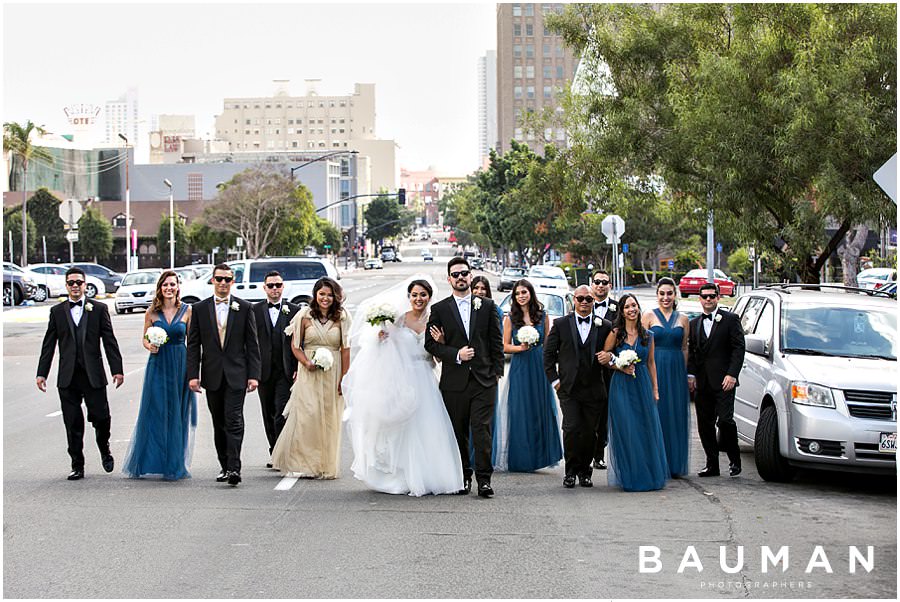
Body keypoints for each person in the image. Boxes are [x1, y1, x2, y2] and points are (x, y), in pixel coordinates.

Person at [343, 277, 463, 496]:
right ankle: (400, 475)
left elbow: (438, 359)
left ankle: (428, 476)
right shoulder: (399, 320)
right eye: (415, 295)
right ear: (409, 297)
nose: (419, 299)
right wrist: (381, 339)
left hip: (426, 378)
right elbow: (388, 350)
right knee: (402, 429)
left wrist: (443, 343)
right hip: (403, 380)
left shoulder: (435, 321)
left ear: (429, 297)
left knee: (428, 427)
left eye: (423, 295)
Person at [424, 257, 504, 498]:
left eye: (464, 273)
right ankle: (463, 476)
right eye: (455, 274)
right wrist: (455, 354)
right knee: (459, 432)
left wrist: (496, 373)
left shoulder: (487, 305)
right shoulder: (439, 309)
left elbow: (496, 342)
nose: (460, 277)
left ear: (470, 276)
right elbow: (430, 344)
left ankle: (484, 480)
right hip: (454, 382)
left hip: (484, 380)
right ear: (449, 279)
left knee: (482, 431)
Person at [36, 267, 124, 480]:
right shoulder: (57, 312)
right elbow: (49, 344)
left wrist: (117, 370)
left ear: (85, 285)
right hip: (68, 377)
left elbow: (109, 341)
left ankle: (104, 448)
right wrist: (42, 373)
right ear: (66, 286)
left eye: (79, 283)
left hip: (93, 375)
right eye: (71, 283)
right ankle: (77, 464)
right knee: (72, 422)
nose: (75, 286)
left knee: (101, 418)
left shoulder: (99, 309)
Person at [186, 264, 261, 487]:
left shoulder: (245, 308)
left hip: (237, 374)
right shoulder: (199, 309)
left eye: (227, 279)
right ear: (213, 281)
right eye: (219, 279)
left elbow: (252, 345)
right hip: (212, 375)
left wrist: (254, 375)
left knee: (234, 420)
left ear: (232, 282)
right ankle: (224, 465)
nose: (223, 283)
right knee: (219, 422)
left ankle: (235, 468)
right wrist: (193, 375)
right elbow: (193, 345)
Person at [272, 277, 351, 479]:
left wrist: (344, 378)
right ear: (315, 294)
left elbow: (345, 349)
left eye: (330, 294)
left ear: (336, 297)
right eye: (322, 294)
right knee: (308, 416)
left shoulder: (342, 317)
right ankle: (305, 462)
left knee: (329, 418)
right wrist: (306, 363)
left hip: (333, 372)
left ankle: (325, 464)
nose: (325, 298)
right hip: (309, 371)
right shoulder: (304, 316)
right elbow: (295, 346)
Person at [122, 270, 197, 480]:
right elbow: (145, 338)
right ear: (160, 288)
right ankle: (151, 460)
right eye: (165, 285)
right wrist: (150, 345)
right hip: (158, 364)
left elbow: (192, 342)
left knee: (177, 413)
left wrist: (194, 371)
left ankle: (174, 463)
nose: (169, 288)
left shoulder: (187, 311)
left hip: (180, 365)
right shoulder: (151, 313)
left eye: (172, 284)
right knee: (155, 412)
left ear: (178, 287)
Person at [543, 285, 613, 488]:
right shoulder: (562, 324)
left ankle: (585, 471)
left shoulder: (605, 325)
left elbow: (612, 352)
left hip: (594, 388)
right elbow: (548, 355)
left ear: (593, 302)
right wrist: (555, 381)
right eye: (580, 298)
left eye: (588, 299)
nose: (584, 302)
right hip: (569, 388)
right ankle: (570, 471)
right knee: (572, 428)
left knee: (590, 432)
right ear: (574, 300)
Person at [603, 293, 669, 492]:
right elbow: (604, 357)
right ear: (621, 312)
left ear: (638, 308)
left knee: (644, 429)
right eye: (627, 307)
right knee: (627, 429)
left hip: (642, 385)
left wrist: (655, 390)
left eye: (634, 305)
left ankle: (648, 474)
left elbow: (651, 363)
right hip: (621, 386)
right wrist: (619, 366)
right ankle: (630, 475)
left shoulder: (648, 335)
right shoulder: (616, 333)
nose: (631, 309)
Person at [496, 279, 563, 472]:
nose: (521, 296)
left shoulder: (543, 317)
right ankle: (522, 459)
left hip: (539, 366)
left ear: (531, 293)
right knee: (521, 409)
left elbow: (549, 344)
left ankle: (542, 456)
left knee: (540, 408)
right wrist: (521, 347)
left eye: (524, 292)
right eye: (517, 294)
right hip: (520, 366)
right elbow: (504, 346)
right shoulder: (510, 318)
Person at [687, 282, 746, 478]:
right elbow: (693, 354)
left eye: (712, 296)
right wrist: (691, 375)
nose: (708, 299)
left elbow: (738, 348)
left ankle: (734, 458)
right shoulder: (694, 324)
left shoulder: (730, 319)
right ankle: (712, 464)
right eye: (704, 296)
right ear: (700, 299)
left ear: (718, 297)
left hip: (724, 381)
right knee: (705, 424)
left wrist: (732, 374)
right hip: (703, 383)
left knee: (726, 421)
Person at [642, 277, 691, 478]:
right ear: (657, 295)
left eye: (669, 293)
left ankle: (674, 463)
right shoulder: (648, 316)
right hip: (656, 367)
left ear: (675, 295)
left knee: (675, 415)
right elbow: (643, 347)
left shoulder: (683, 319)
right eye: (662, 293)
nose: (666, 297)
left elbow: (685, 347)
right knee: (656, 414)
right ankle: (655, 462)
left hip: (676, 370)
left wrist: (685, 373)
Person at [251, 271, 300, 467]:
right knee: (268, 411)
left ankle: (283, 453)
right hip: (263, 371)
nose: (274, 289)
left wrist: (298, 367)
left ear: (283, 287)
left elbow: (300, 341)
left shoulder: (295, 310)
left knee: (281, 412)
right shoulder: (254, 311)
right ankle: (274, 450)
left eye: (278, 285)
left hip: (286, 370)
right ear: (264, 288)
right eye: (270, 285)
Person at [590, 268, 617, 471]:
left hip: (609, 370)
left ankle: (599, 454)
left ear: (610, 285)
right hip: (585, 369)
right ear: (592, 284)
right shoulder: (582, 304)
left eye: (604, 282)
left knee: (604, 414)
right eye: (597, 282)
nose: (600, 285)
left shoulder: (618, 310)